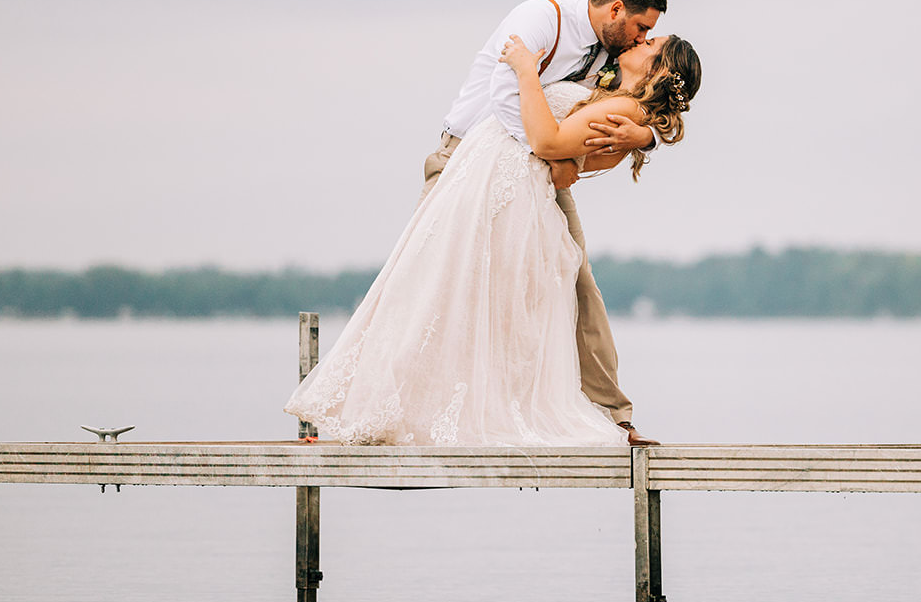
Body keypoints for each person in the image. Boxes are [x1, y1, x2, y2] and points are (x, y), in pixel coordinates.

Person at [283, 25, 702, 447]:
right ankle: (390, 407)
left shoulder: (624, 109)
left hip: (502, 188)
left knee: (441, 289)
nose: (641, 40)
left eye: (651, 43)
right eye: (644, 32)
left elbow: (548, 143)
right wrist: (644, 138)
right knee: (436, 287)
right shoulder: (610, 87)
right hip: (488, 175)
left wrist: (525, 73)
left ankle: (393, 408)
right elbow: (565, 164)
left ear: (661, 73)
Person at [421, 0, 666, 444]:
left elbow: (639, 99)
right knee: (432, 277)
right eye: (642, 28)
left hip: (541, 174)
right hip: (465, 160)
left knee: (576, 278)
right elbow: (505, 95)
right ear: (616, 10)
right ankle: (417, 403)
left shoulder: (611, 52)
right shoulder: (540, 19)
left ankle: (612, 413)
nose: (642, 39)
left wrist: (648, 137)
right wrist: (553, 152)